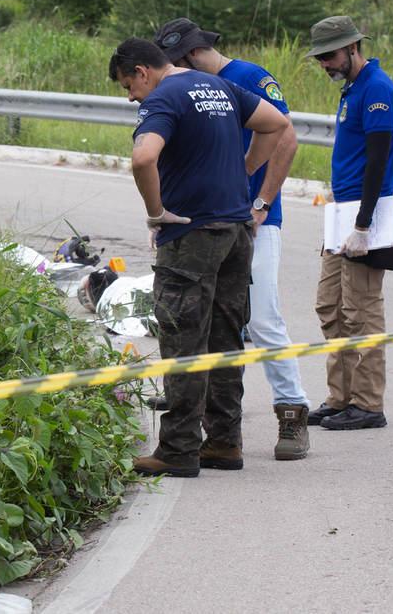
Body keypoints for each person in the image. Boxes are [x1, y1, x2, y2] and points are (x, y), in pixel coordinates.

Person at [109, 34, 289, 477]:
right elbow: (276, 123)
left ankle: (178, 449)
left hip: (191, 234)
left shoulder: (163, 97)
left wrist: (156, 213)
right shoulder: (219, 86)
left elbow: (143, 159)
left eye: (128, 86)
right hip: (235, 232)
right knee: (226, 341)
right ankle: (225, 442)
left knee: (183, 340)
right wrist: (245, 170)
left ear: (142, 71)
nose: (131, 97)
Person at [159, 19, 311, 461]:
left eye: (174, 65)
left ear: (190, 56)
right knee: (212, 321)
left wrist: (260, 199)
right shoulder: (195, 88)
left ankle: (292, 410)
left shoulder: (247, 77)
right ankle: (214, 427)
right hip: (211, 222)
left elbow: (285, 136)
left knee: (261, 318)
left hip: (255, 219)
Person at [305, 16, 393, 431]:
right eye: (320, 58)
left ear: (352, 48)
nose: (324, 64)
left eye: (329, 56)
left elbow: (378, 162)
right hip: (342, 212)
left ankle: (367, 403)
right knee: (330, 306)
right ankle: (340, 397)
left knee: (361, 309)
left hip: (365, 214)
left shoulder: (377, 89)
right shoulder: (352, 88)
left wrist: (362, 226)